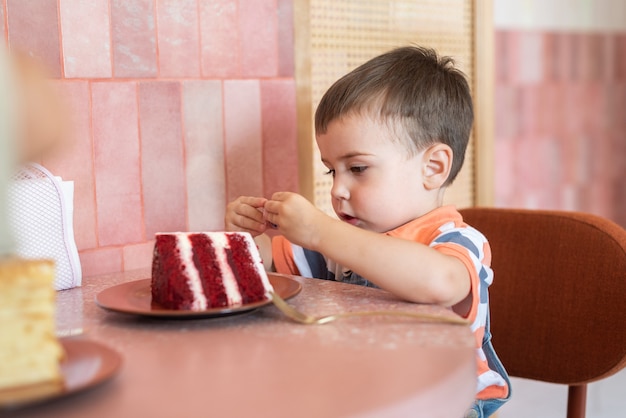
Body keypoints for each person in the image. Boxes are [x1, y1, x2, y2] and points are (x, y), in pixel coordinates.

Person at [225, 45, 510, 417]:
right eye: (332, 170)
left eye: (357, 168)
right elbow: (262, 269)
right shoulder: (334, 246)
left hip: (448, 403)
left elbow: (439, 283)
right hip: (360, 393)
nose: (337, 190)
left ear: (433, 168)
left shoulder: (456, 242)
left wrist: (320, 231)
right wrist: (245, 235)